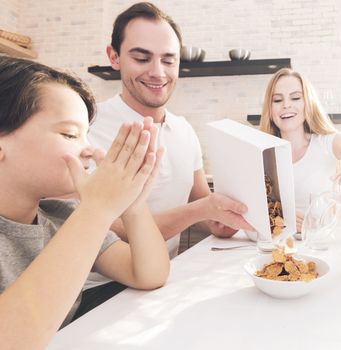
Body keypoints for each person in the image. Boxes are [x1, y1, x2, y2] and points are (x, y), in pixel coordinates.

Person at [0, 57, 170, 349]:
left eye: (86, 135)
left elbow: (149, 274)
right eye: (69, 134)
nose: (89, 150)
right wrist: (97, 209)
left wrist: (133, 206)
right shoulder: (84, 217)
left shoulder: (63, 216)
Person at [88, 2, 253, 261]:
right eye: (141, 58)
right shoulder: (88, 127)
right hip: (102, 288)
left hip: (166, 275)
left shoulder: (184, 131)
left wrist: (217, 220)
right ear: (114, 57)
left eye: (168, 60)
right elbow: (107, 230)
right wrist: (202, 211)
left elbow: (200, 203)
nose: (157, 72)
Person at [259, 68, 341, 231]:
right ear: (270, 110)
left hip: (323, 244)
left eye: (295, 98)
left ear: (307, 103)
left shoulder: (327, 143)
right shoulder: (261, 153)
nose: (286, 105)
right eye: (277, 100)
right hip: (277, 248)